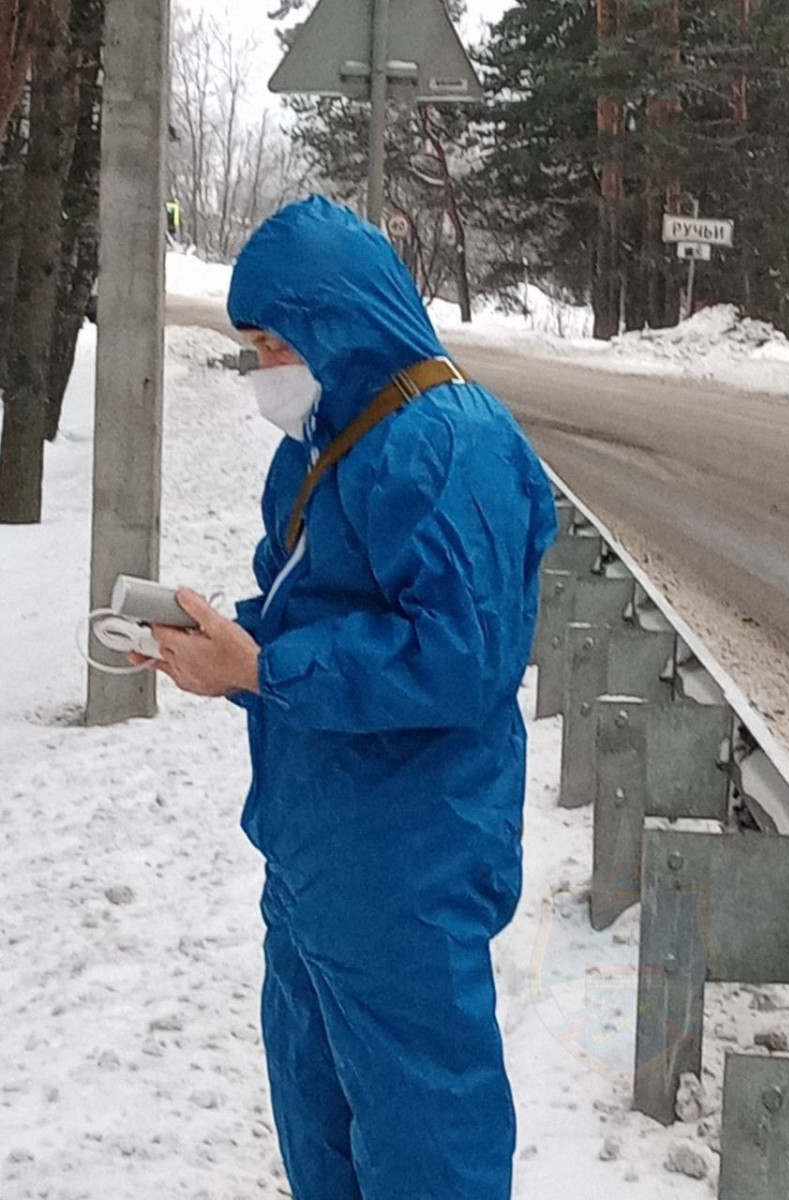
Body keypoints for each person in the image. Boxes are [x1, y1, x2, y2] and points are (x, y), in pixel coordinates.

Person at [146, 196, 557, 1200]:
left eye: (275, 341)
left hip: (409, 856)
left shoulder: (448, 445)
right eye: (252, 344)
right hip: (318, 847)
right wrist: (225, 649)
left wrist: (261, 670)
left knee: (425, 1137)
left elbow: (462, 658)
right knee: (319, 1122)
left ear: (342, 322)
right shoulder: (332, 438)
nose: (263, 367)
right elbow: (320, 610)